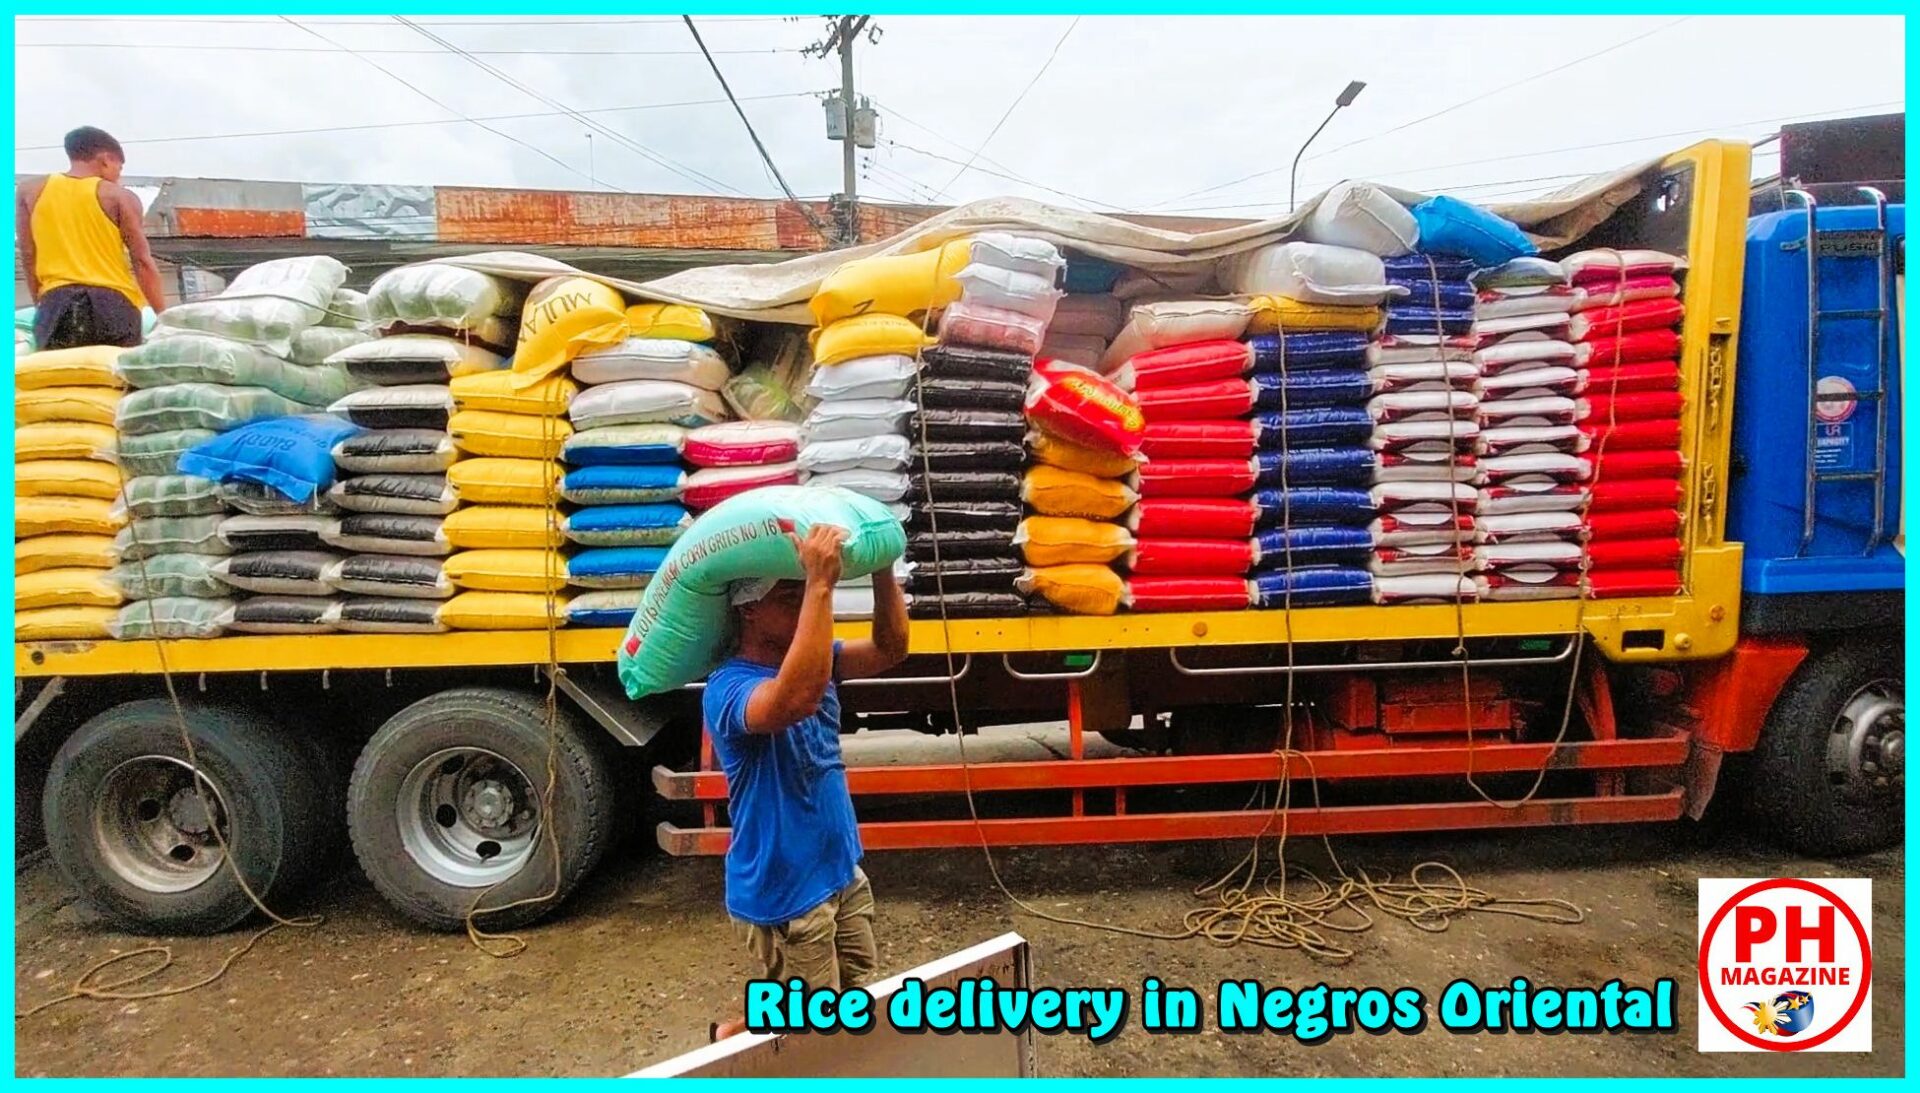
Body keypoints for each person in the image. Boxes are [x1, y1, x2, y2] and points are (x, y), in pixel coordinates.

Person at [702, 523, 909, 1034]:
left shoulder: (820, 662)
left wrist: (882, 564)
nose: (804, 606)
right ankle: (736, 1043)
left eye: (804, 595)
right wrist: (818, 584)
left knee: (853, 996)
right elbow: (793, 700)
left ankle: (741, 1034)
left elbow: (891, 648)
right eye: (788, 597)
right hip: (786, 891)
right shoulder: (727, 688)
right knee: (814, 1033)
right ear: (749, 608)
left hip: (838, 868)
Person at [17, 125, 166, 351]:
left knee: (60, 379)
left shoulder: (30, 191)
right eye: (119, 167)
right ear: (106, 160)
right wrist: (163, 317)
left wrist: (43, 304)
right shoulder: (120, 197)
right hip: (114, 304)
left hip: (56, 303)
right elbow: (142, 261)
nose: (119, 176)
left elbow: (29, 255)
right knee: (117, 377)